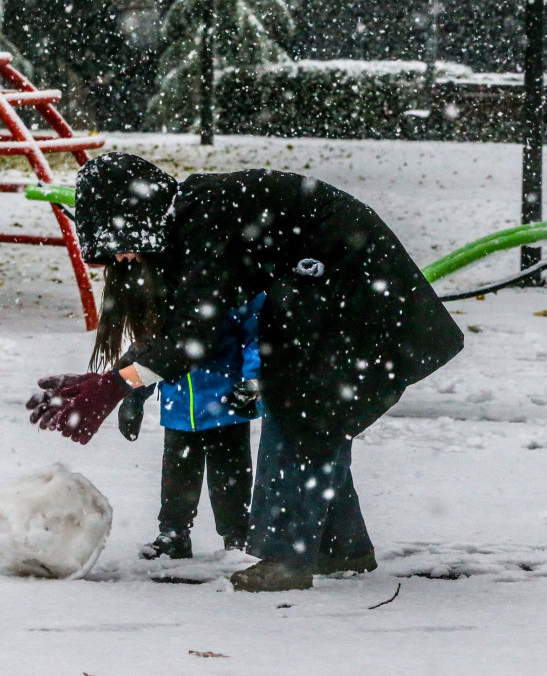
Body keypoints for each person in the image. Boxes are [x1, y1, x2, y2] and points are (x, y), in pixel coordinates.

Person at [27, 151, 463, 592]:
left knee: (302, 412)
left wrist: (118, 385)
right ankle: (340, 547)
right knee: (315, 417)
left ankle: (286, 559)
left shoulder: (204, 221)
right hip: (337, 300)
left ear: (138, 217)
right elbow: (187, 327)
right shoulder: (189, 221)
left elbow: (198, 333)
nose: (119, 259)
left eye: (117, 243)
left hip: (360, 301)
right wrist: (107, 380)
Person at [120, 293, 265, 561]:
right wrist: (135, 394)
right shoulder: (169, 286)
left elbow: (255, 336)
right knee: (178, 472)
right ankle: (174, 532)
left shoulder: (235, 285)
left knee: (230, 474)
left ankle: (237, 536)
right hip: (180, 404)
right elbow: (153, 350)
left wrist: (252, 380)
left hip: (227, 401)